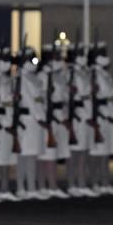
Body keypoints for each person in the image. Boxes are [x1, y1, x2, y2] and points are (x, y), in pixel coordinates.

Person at [38, 45, 71, 199]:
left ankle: (51, 184)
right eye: (55, 57)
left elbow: (63, 98)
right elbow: (41, 100)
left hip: (59, 115)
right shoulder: (42, 76)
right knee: (48, 154)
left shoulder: (58, 75)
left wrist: (64, 117)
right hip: (49, 117)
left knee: (56, 153)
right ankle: (48, 185)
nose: (58, 60)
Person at [91, 42, 113, 196]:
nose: (105, 56)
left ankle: (105, 182)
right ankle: (96, 183)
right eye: (102, 53)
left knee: (106, 152)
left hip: (109, 114)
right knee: (98, 153)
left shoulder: (104, 74)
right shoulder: (94, 75)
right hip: (101, 116)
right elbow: (95, 98)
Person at [68, 44, 98, 198]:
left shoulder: (84, 73)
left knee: (84, 152)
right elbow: (74, 97)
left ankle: (81, 183)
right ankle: (74, 184)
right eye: (80, 54)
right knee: (76, 154)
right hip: (79, 117)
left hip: (86, 114)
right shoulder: (72, 74)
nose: (83, 57)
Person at [16, 48, 45, 200]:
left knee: (32, 155)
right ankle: (24, 187)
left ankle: (30, 186)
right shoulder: (22, 78)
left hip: (36, 120)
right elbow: (30, 101)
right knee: (25, 155)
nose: (34, 62)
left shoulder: (33, 77)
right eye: (31, 59)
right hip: (28, 120)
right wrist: (40, 117)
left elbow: (40, 100)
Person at [0, 48, 18, 202]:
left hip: (9, 121)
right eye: (3, 59)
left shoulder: (10, 79)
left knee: (6, 158)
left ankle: (4, 188)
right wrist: (2, 122)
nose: (6, 63)